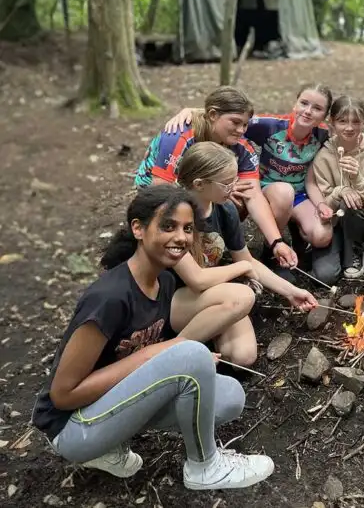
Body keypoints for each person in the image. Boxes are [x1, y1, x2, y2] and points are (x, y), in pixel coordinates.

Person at [31, 186, 275, 490]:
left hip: (108, 404)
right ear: (138, 228)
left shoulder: (162, 282)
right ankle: (204, 467)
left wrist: (173, 360)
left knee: (229, 397)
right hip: (72, 427)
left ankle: (110, 445)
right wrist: (163, 354)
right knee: (189, 352)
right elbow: (63, 395)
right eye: (168, 226)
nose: (181, 237)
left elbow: (157, 357)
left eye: (187, 228)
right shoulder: (109, 297)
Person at [163, 84, 335, 283]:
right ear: (294, 104)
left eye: (317, 108)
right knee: (279, 193)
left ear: (325, 116)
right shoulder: (269, 125)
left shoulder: (324, 135)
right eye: (304, 103)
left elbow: (348, 133)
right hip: (273, 190)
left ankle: (289, 241)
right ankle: (262, 252)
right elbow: (228, 114)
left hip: (301, 194)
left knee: (321, 234)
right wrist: (193, 111)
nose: (308, 111)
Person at [172, 143, 319, 366]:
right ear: (199, 184)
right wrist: (242, 269)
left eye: (235, 179)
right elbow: (197, 279)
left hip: (214, 293)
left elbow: (247, 260)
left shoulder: (225, 209)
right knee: (243, 295)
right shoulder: (174, 217)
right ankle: (171, 352)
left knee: (242, 356)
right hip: (175, 299)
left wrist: (291, 292)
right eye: (226, 183)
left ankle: (203, 337)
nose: (234, 187)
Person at [136, 86, 299, 275]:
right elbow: (160, 191)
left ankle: (216, 247)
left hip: (201, 191)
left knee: (234, 193)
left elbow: (253, 194)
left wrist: (276, 243)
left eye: (245, 125)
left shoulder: (241, 145)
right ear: (212, 115)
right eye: (236, 122)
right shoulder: (180, 135)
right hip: (160, 194)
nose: (241, 130)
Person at [311, 95, 364, 282]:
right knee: (325, 276)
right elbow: (322, 205)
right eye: (342, 121)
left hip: (359, 221)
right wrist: (339, 191)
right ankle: (332, 246)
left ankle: (354, 249)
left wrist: (357, 178)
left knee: (350, 200)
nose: (349, 127)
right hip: (333, 222)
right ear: (332, 123)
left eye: (355, 122)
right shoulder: (324, 155)